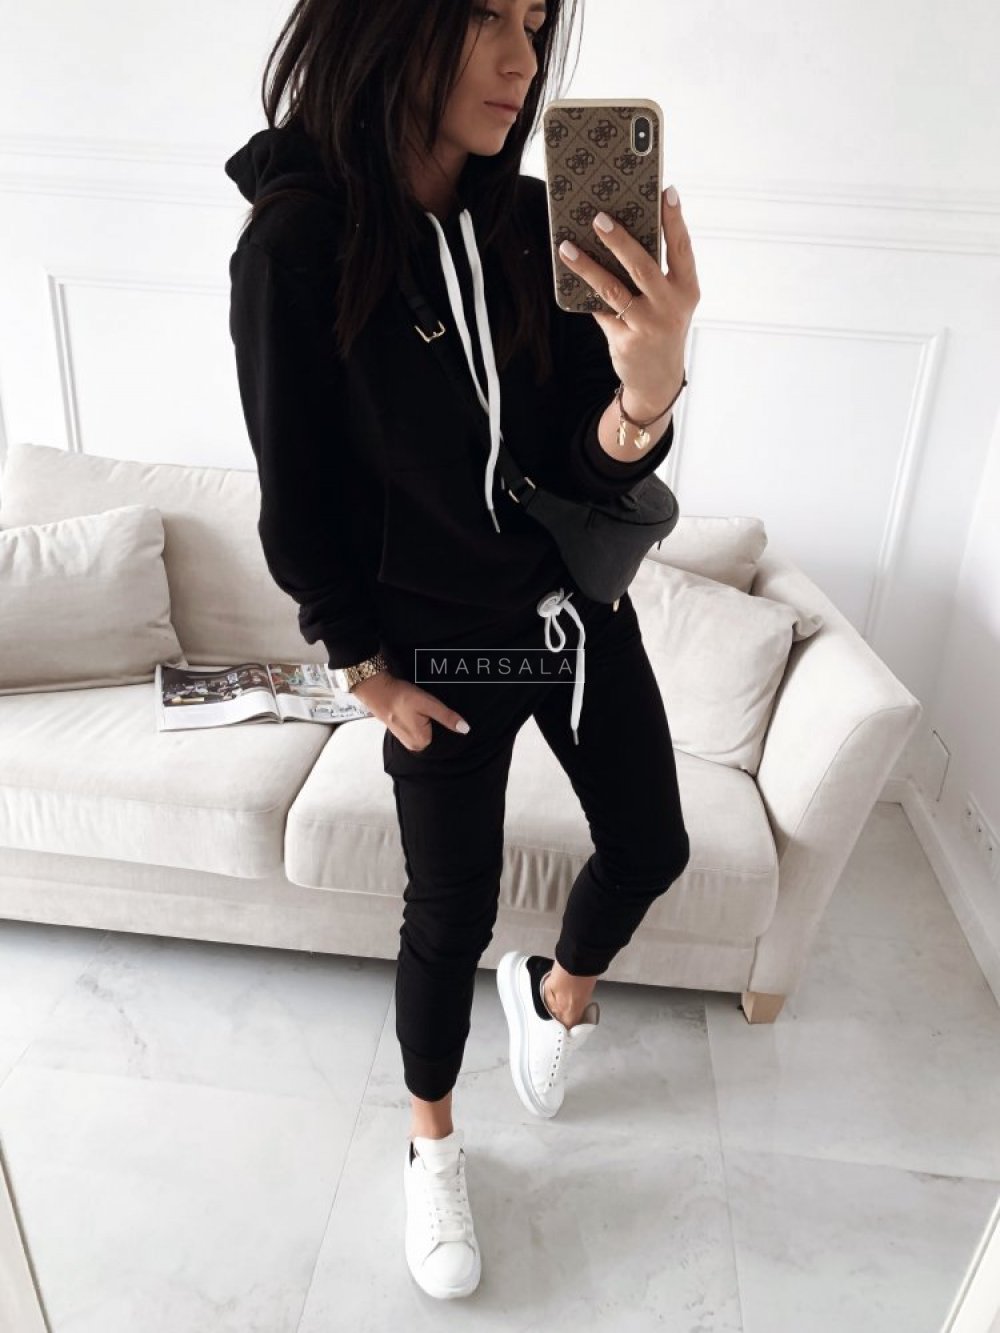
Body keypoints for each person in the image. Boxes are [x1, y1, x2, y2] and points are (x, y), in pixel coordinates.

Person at [225, 0, 699, 1301]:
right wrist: (362, 667)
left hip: (569, 617)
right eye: (484, 15)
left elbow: (582, 459)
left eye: (535, 21)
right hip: (436, 648)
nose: (520, 59)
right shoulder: (298, 244)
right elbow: (295, 494)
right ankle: (432, 1142)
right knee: (449, 911)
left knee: (653, 844)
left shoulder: (533, 221)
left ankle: (556, 996)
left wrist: (647, 393)